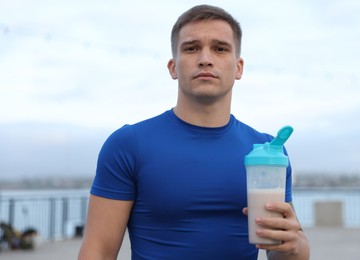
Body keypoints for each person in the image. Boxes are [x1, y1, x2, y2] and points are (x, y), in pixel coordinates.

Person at [78, 4, 310, 260]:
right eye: (191, 48)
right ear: (173, 67)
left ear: (239, 67)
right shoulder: (129, 145)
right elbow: (97, 251)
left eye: (220, 48)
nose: (205, 58)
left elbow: (286, 250)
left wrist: (293, 246)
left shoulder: (267, 150)